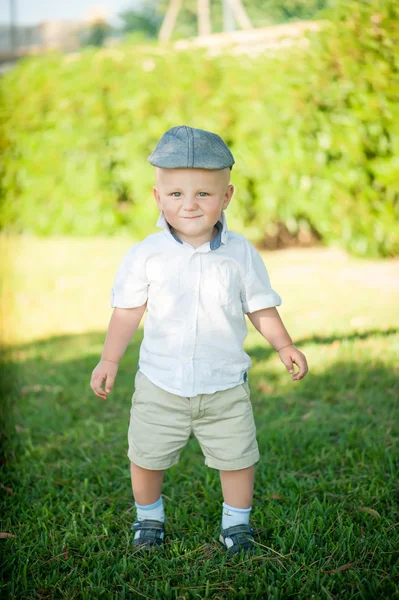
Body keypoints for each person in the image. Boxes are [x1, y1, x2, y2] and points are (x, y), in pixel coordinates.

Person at [90, 125, 308, 556]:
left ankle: (237, 525)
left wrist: (284, 345)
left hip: (225, 384)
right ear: (158, 197)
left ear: (226, 197)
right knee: (146, 456)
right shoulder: (145, 254)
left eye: (204, 194)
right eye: (176, 195)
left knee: (238, 457)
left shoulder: (240, 253)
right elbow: (128, 311)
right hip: (160, 383)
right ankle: (148, 516)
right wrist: (110, 360)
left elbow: (259, 305)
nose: (189, 204)